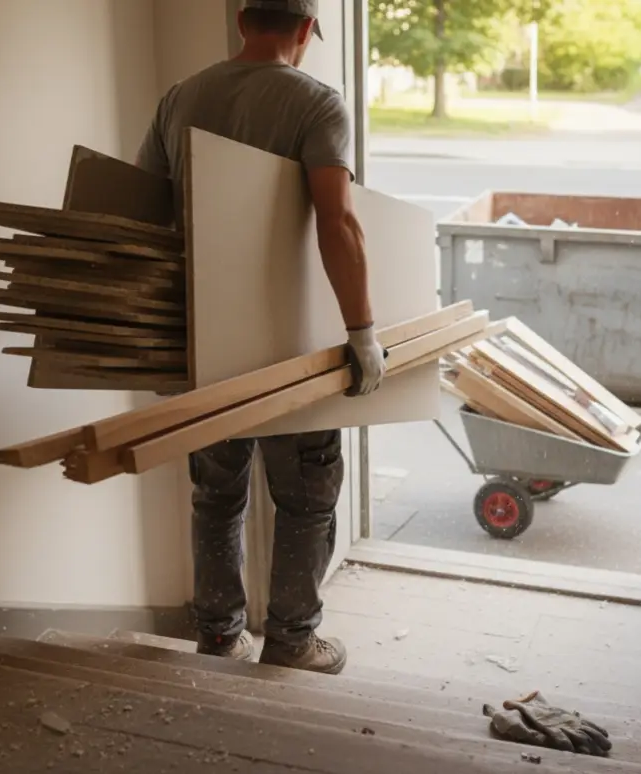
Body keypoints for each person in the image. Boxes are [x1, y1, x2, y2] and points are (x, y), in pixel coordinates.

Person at [134, 0, 383, 675]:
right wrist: (361, 333)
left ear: (243, 21)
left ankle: (218, 633)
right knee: (305, 498)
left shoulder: (179, 99)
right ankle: (293, 639)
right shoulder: (316, 104)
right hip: (287, 348)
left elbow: (142, 213)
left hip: (203, 344)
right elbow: (338, 223)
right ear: (305, 30)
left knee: (216, 494)